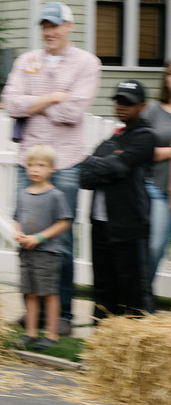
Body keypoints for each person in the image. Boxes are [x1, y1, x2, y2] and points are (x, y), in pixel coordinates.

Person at [2, 1, 101, 335]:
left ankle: (64, 314)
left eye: (56, 25)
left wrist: (35, 104)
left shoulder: (88, 63)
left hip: (67, 161)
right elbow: (10, 104)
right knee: (25, 234)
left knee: (62, 239)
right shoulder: (26, 60)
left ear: (69, 26)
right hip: (28, 161)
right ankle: (33, 311)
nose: (50, 31)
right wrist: (53, 97)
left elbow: (73, 113)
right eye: (45, 25)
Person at [80, 79, 156, 318]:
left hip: (128, 224)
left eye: (128, 103)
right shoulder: (112, 139)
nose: (121, 107)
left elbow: (120, 166)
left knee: (133, 287)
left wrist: (101, 162)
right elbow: (85, 178)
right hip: (100, 225)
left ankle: (137, 343)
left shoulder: (146, 137)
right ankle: (101, 341)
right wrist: (109, 163)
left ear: (142, 106)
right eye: (118, 101)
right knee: (103, 286)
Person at [12, 145, 73, 350]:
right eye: (31, 165)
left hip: (47, 253)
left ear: (52, 168)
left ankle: (52, 335)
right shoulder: (23, 194)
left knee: (48, 293)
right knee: (29, 293)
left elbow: (64, 222)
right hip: (26, 252)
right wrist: (18, 233)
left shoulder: (55, 195)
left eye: (41, 165)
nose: (35, 169)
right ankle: (30, 333)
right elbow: (17, 219)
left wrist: (39, 237)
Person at [143, 61, 171, 284]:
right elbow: (142, 151)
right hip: (157, 189)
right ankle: (141, 300)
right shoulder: (153, 111)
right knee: (154, 245)